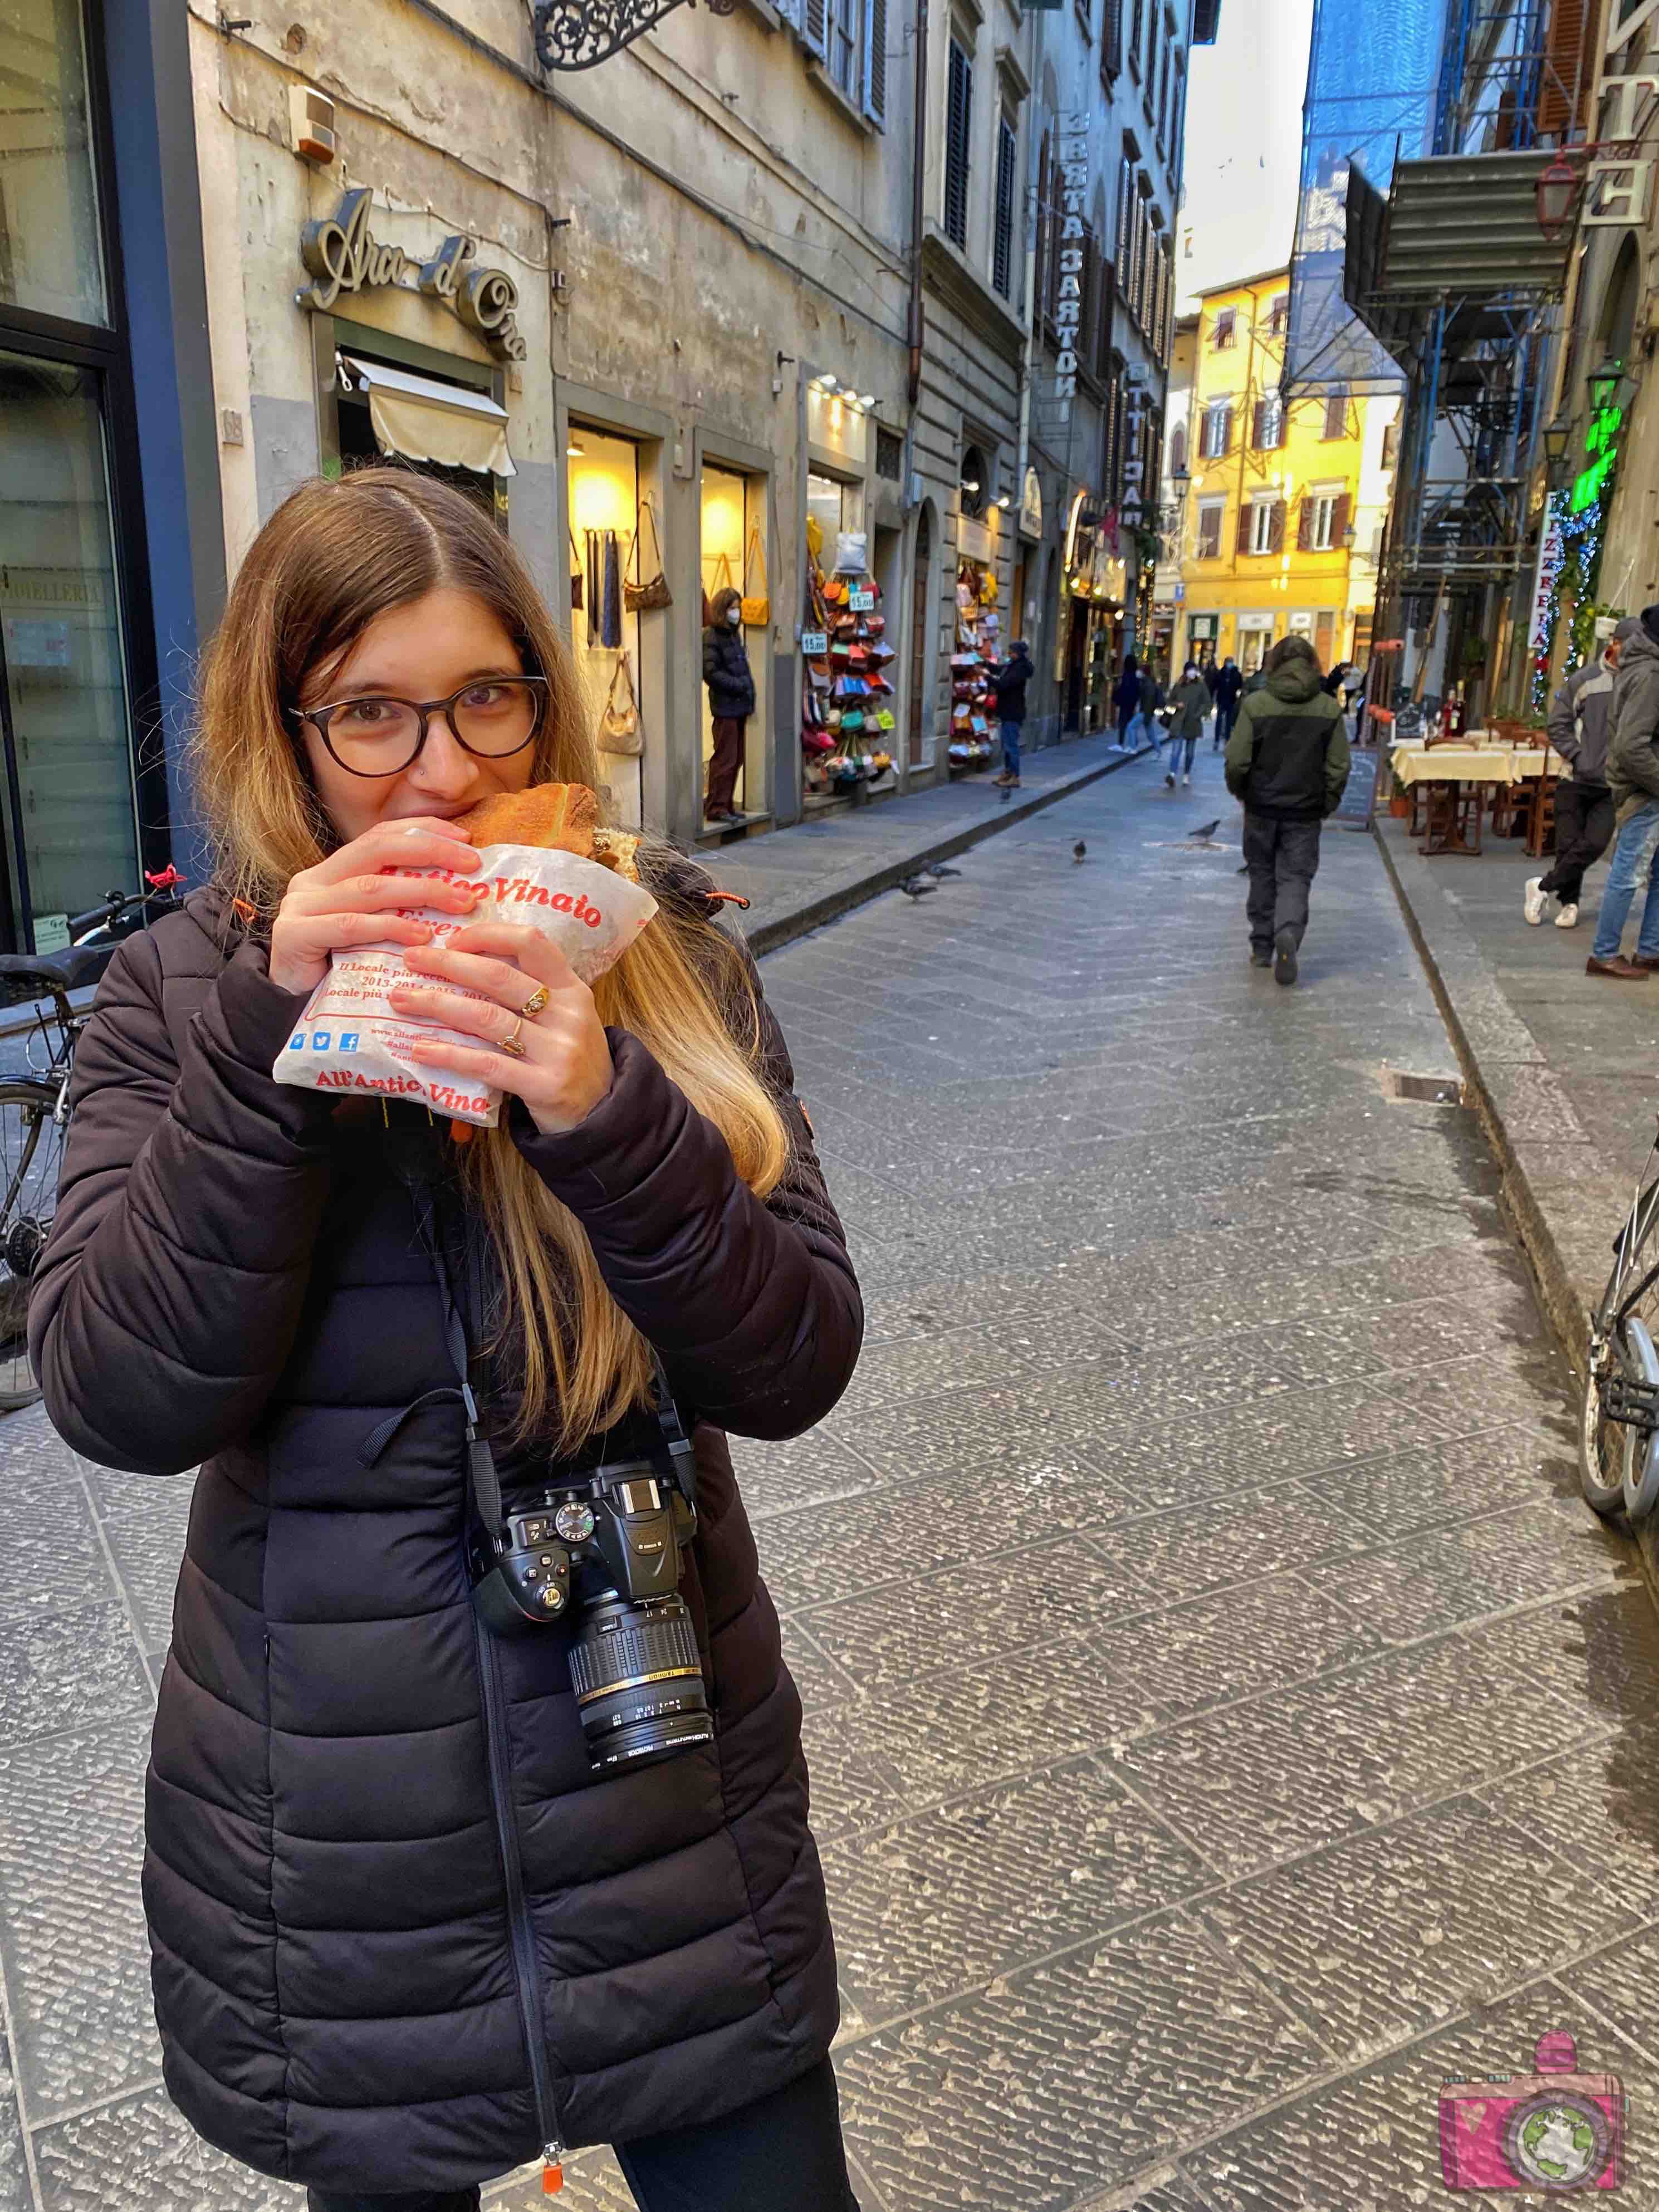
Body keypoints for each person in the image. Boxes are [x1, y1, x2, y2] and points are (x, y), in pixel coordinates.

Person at [28, 469, 866, 2212]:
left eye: (487, 695)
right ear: (288, 728)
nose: (441, 769)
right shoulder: (183, 993)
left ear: (543, 694)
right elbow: (115, 1388)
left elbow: (794, 1363)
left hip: (668, 1809)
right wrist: (273, 1056)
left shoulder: (664, 955)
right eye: (371, 715)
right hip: (341, 1835)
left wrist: (610, 1113)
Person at [1225, 633, 1350, 986]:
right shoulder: (1328, 709)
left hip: (1262, 808)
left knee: (1261, 873)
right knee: (1295, 877)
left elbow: (1237, 760)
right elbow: (1339, 767)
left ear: (1274, 664)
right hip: (1305, 812)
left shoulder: (1256, 705)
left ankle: (1263, 946)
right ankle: (1289, 934)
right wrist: (1328, 803)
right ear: (1313, 665)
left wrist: (1241, 791)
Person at [1528, 617, 1635, 929]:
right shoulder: (1585, 679)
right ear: (1614, 643)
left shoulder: (1640, 683)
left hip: (1612, 784)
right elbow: (1558, 724)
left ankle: (1542, 886)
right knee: (1568, 844)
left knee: (1594, 844)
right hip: (1574, 780)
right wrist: (1579, 756)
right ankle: (1569, 904)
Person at [1589, 604, 1659, 980]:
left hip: (1644, 789)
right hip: (1644, 793)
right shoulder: (1650, 674)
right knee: (1628, 874)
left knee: (1645, 873)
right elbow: (1632, 745)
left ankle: (1649, 950)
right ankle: (1604, 954)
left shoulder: (1642, 666)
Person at [702, 583, 754, 826]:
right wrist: (739, 685)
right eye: (733, 609)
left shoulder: (733, 635)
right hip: (725, 707)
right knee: (725, 757)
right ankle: (717, 806)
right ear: (724, 610)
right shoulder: (712, 636)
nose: (738, 613)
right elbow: (711, 672)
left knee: (736, 758)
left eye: (739, 608)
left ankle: (726, 803)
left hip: (739, 707)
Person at [991, 635, 1034, 787]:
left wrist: (986, 677)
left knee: (1011, 746)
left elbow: (1003, 684)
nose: (1009, 655)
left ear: (1019, 653)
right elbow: (999, 669)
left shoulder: (1020, 669)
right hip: (1007, 711)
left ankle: (1015, 777)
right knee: (1007, 746)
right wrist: (983, 664)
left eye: (1011, 652)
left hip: (1013, 711)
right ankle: (1008, 773)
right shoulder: (1012, 665)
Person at [1163, 662, 1211, 786]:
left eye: (1194, 670)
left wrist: (1198, 714)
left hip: (1193, 723)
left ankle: (1186, 774)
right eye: (1190, 670)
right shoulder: (1179, 685)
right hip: (1179, 722)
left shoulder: (1201, 685)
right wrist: (1177, 704)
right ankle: (1172, 774)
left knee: (1190, 753)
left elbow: (1207, 702)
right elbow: (1169, 700)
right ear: (1185, 672)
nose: (1193, 673)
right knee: (1176, 750)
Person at [1212, 655, 1244, 753]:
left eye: (1230, 662)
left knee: (1229, 722)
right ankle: (1217, 740)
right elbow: (1215, 685)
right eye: (1228, 662)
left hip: (1231, 700)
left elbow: (1240, 686)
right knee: (1219, 721)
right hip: (1221, 700)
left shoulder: (1237, 674)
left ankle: (1227, 741)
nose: (1229, 664)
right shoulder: (1221, 673)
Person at [1112, 654, 1142, 751]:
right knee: (1131, 724)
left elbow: (1121, 689)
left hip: (1124, 703)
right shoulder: (1136, 676)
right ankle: (1134, 743)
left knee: (1123, 724)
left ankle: (1121, 744)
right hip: (1132, 703)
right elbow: (1138, 690)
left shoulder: (1125, 675)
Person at [1137, 660, 1164, 751]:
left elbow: (1149, 702)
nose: (1138, 672)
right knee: (1150, 734)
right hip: (1146, 712)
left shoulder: (1148, 684)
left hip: (1145, 712)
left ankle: (1133, 747)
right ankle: (1159, 750)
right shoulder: (1145, 682)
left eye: (1140, 671)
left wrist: (1147, 716)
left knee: (1131, 727)